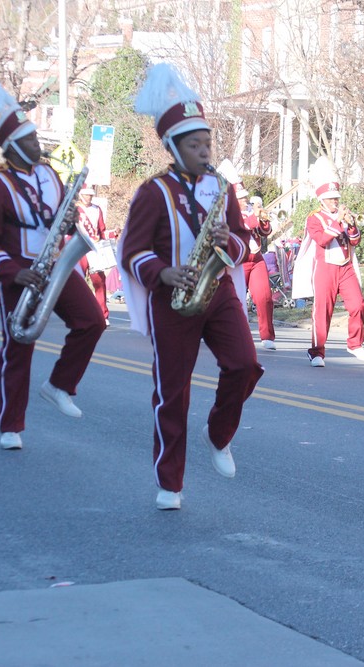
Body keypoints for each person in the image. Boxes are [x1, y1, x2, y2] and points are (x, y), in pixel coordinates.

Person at [119, 63, 263, 510]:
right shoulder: (152, 191)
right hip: (173, 298)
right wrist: (161, 272)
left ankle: (218, 434)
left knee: (244, 365)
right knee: (172, 391)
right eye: (194, 145)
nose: (204, 151)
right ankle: (170, 483)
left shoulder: (220, 187)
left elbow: (245, 238)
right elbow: (132, 249)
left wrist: (231, 242)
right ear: (173, 147)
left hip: (217, 291)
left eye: (206, 143)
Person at [0, 74, 105, 450]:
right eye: (30, 139)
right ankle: (11, 425)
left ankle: (59, 385)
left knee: (91, 321)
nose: (37, 143)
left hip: (55, 263)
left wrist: (70, 220)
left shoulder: (50, 174)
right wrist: (12, 272)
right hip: (19, 270)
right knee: (18, 345)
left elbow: (57, 216)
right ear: (12, 146)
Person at [292, 155, 364, 365]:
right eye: (331, 198)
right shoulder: (314, 217)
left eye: (336, 198)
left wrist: (351, 225)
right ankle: (316, 351)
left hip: (345, 267)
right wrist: (337, 222)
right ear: (322, 200)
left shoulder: (343, 215)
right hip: (325, 267)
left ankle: (355, 343)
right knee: (322, 311)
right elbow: (322, 239)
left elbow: (355, 240)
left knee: (359, 305)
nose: (335, 201)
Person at [218, 160, 277, 351]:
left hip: (257, 259)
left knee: (264, 296)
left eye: (246, 198)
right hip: (239, 261)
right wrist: (254, 218)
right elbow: (240, 227)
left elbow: (265, 232)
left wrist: (264, 222)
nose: (246, 201)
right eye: (242, 199)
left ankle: (267, 336)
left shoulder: (251, 212)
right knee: (234, 300)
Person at [76, 185, 112, 327]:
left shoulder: (97, 209)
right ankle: (77, 312)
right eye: (86, 195)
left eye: (90, 195)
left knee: (99, 281)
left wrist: (107, 238)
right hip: (79, 248)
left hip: (94, 248)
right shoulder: (75, 209)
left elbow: (101, 229)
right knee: (78, 280)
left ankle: (103, 314)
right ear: (81, 195)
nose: (88, 197)